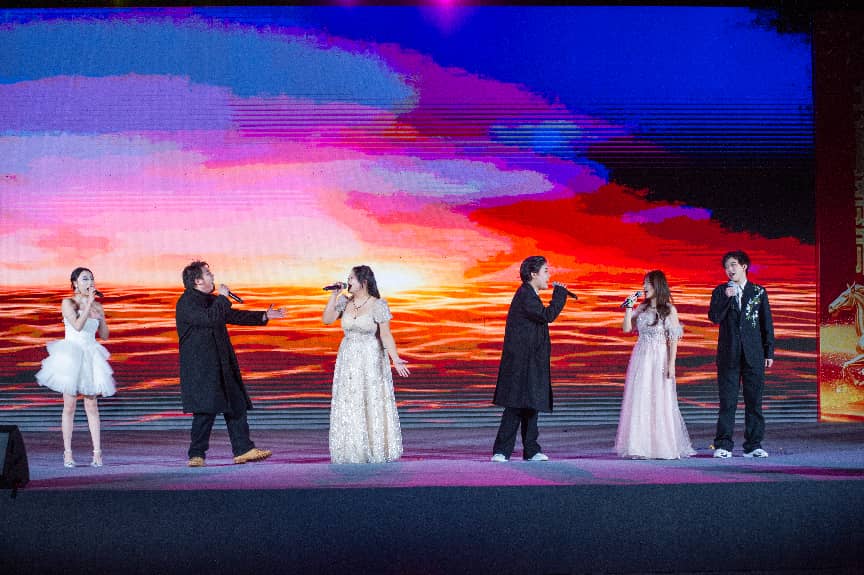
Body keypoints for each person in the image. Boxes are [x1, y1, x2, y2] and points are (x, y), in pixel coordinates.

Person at [176, 261, 285, 467]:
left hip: (222, 363)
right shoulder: (187, 302)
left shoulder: (211, 300)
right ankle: (196, 454)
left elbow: (233, 315)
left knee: (236, 405)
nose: (212, 276)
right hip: (202, 366)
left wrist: (264, 315)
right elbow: (209, 318)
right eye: (208, 274)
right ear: (197, 281)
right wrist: (223, 297)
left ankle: (243, 449)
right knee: (205, 410)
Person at [322, 265, 408, 464]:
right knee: (350, 401)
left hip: (370, 358)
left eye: (351, 278)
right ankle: (353, 450)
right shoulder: (344, 301)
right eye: (348, 279)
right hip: (348, 358)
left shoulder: (378, 304)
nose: (348, 282)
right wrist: (334, 296)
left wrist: (395, 358)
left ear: (364, 282)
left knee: (369, 399)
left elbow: (385, 335)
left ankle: (374, 448)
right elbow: (327, 320)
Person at [491, 256, 569, 462]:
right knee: (516, 404)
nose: (549, 276)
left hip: (530, 360)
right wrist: (560, 295)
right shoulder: (525, 294)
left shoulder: (530, 294)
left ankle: (531, 450)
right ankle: (501, 450)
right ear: (533, 274)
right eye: (545, 271)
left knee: (531, 403)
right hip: (521, 362)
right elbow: (547, 315)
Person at [36, 267, 115, 468]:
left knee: (92, 405)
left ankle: (97, 454)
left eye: (91, 278)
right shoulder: (67, 303)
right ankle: (68, 454)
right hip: (71, 355)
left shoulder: (97, 305)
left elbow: (104, 335)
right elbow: (78, 326)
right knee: (69, 406)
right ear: (75, 283)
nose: (90, 282)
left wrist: (102, 317)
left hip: (90, 355)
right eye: (85, 278)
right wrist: (88, 304)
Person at [615, 270, 695, 459]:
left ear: (658, 285)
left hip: (659, 358)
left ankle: (661, 445)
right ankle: (639, 446)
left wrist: (671, 364)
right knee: (640, 397)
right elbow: (627, 329)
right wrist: (629, 308)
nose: (644, 287)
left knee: (660, 398)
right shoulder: (642, 308)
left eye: (648, 283)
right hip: (641, 357)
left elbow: (673, 339)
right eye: (644, 283)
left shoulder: (669, 309)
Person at [708, 250, 775, 458]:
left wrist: (769, 351)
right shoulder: (720, 291)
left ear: (744, 266)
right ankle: (723, 445)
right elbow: (714, 317)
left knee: (754, 402)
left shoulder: (758, 292)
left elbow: (766, 323)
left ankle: (753, 446)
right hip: (728, 355)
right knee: (727, 403)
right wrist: (726, 298)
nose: (729, 270)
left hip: (754, 355)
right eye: (726, 267)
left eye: (733, 265)